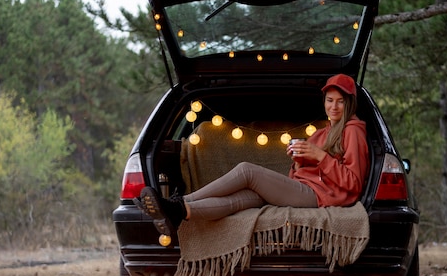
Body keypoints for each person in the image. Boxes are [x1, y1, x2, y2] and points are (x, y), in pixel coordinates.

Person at [134, 73, 371, 235]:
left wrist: (320, 156)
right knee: (241, 199)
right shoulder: (323, 132)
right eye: (330, 100)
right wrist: (299, 161)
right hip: (304, 189)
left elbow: (353, 183)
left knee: (247, 170)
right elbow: (301, 173)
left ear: (349, 103)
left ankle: (180, 201)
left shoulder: (353, 131)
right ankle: (179, 212)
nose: (334, 107)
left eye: (340, 101)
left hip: (320, 197)